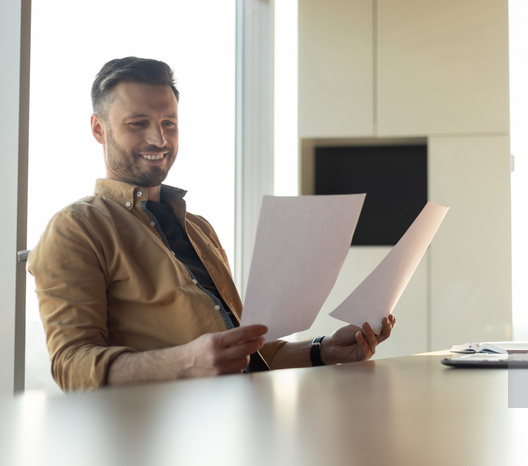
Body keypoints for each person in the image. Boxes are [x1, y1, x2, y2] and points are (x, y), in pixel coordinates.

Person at [27, 57, 396, 391]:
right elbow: (71, 366)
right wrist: (185, 363)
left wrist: (323, 350)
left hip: (245, 422)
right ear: (98, 129)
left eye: (168, 123)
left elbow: (247, 353)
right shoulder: (76, 229)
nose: (159, 138)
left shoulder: (199, 229)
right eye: (138, 124)